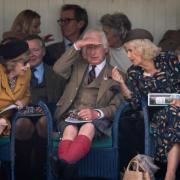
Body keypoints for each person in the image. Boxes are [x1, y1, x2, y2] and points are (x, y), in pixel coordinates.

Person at [53, 28, 123, 179]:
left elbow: (116, 106)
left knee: (88, 126)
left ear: (105, 49)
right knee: (70, 130)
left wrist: (96, 113)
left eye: (96, 47)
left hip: (97, 120)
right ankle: (66, 166)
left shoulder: (116, 74)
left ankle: (62, 167)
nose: (92, 52)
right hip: (70, 115)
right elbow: (58, 69)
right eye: (88, 47)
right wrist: (77, 45)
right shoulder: (77, 66)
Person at [112, 28, 180, 180]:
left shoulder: (168, 59)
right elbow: (135, 102)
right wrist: (122, 84)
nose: (128, 56)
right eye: (126, 51)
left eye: (130, 51)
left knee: (174, 114)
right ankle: (170, 174)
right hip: (157, 113)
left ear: (143, 48)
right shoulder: (133, 72)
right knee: (172, 115)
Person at [15, 34, 66, 180]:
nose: (31, 55)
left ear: (44, 51)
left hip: (50, 120)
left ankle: (44, 170)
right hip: (20, 119)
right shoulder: (13, 75)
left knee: (45, 122)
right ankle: (22, 172)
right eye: (27, 51)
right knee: (22, 123)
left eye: (35, 50)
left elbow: (64, 103)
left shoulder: (57, 74)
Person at [0, 40, 30, 136]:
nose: (28, 66)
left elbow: (26, 95)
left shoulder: (26, 72)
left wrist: (22, 103)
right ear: (13, 63)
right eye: (24, 63)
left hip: (8, 119)